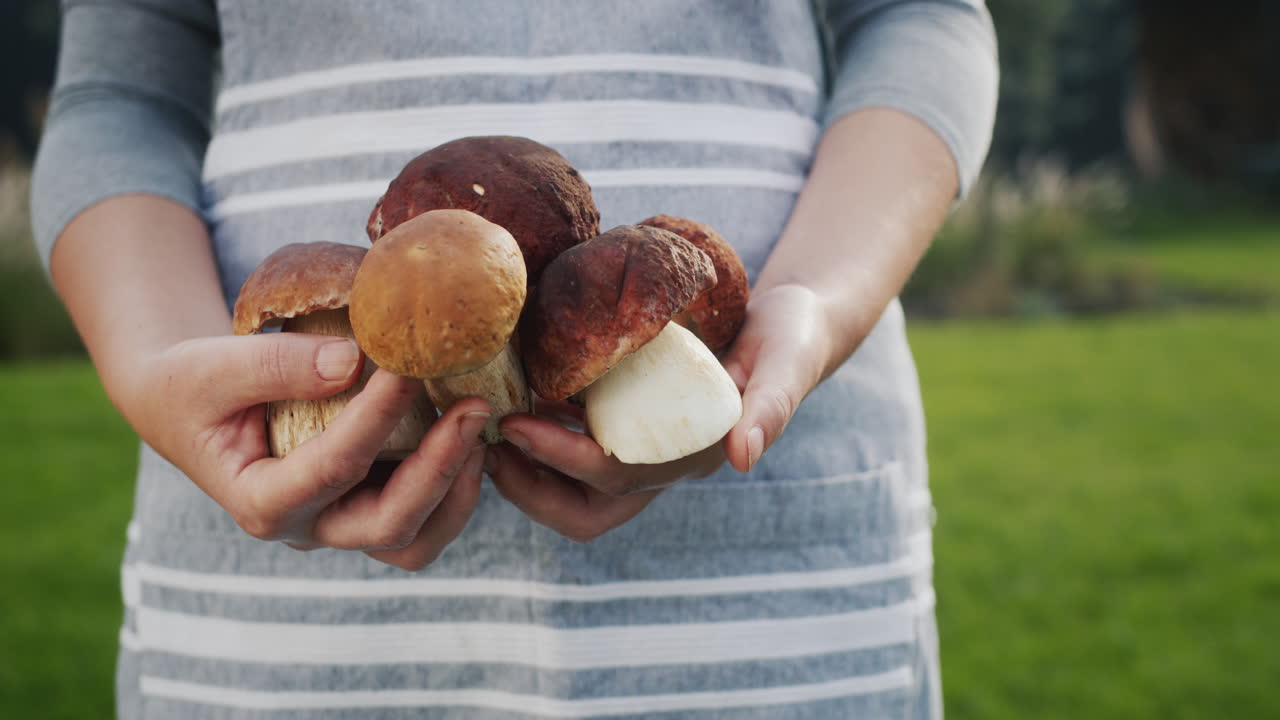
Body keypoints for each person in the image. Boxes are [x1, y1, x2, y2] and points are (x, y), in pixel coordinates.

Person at [32, 1, 997, 717]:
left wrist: (817, 306)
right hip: (286, 609)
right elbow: (117, 93)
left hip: (766, 566)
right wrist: (155, 356)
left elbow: (923, 18)